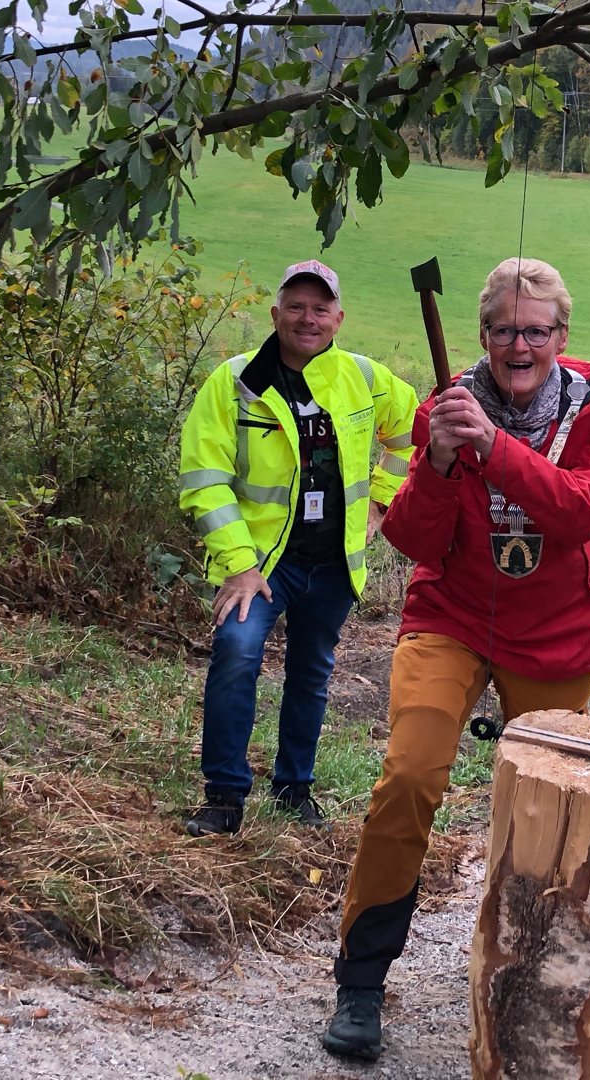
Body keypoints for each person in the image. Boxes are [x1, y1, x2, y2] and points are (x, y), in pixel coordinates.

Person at [320, 257, 590, 1062]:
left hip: (554, 629)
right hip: (453, 616)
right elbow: (416, 540)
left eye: (536, 330)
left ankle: (534, 983)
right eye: (503, 329)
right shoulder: (444, 411)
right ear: (483, 334)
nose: (518, 344)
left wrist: (492, 450)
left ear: (561, 336)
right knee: (410, 775)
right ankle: (360, 980)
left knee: (553, 811)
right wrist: (445, 463)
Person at [178, 259, 417, 836]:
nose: (307, 319)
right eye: (296, 306)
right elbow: (204, 476)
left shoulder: (364, 376)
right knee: (236, 655)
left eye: (320, 308)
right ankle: (224, 796)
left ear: (338, 318)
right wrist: (239, 564)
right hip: (259, 564)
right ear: (275, 314)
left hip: (333, 560)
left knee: (311, 671)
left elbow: (412, 426)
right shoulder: (235, 382)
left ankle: (294, 788)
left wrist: (381, 503)